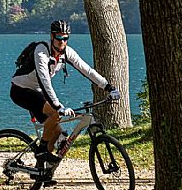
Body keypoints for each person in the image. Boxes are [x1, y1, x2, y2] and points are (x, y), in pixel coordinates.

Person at [10, 19, 120, 163]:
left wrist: (108, 87)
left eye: (65, 38)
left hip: (37, 92)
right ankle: (42, 151)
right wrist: (58, 106)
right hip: (21, 90)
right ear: (52, 36)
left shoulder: (67, 52)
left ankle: (42, 171)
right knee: (55, 114)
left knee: (55, 132)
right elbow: (44, 81)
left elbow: (87, 70)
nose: (62, 41)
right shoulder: (42, 50)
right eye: (59, 37)